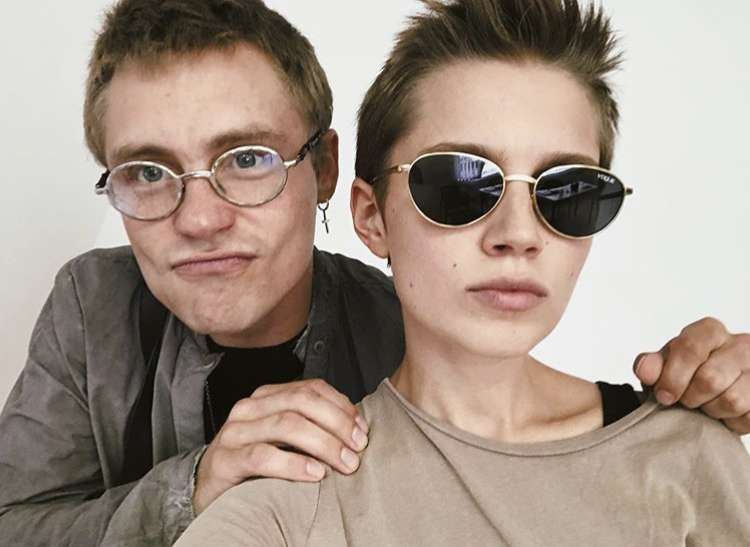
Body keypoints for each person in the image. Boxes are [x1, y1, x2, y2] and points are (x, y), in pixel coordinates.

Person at [0, 0, 747, 545]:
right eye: (146, 171)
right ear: (372, 213)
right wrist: (189, 491)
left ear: (325, 169)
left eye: (248, 158)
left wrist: (698, 393)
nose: (199, 219)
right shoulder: (89, 307)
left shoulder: (419, 323)